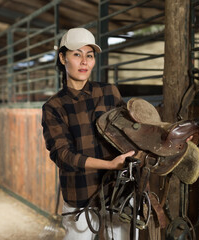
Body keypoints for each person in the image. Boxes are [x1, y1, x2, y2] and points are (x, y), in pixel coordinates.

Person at [41, 28, 135, 240]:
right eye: (77, 54)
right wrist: (110, 164)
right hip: (80, 192)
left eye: (89, 55)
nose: (84, 61)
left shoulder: (109, 92)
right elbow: (63, 156)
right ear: (63, 57)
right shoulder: (54, 107)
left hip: (117, 189)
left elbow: (129, 133)